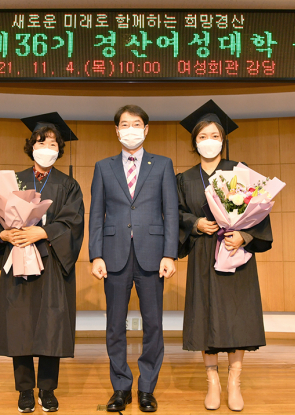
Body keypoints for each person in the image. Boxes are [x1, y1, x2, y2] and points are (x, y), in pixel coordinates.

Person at [0, 112, 84, 413]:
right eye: (41, 143)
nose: (47, 148)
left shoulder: (68, 185)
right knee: (20, 325)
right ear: (31, 146)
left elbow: (74, 223)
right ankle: (25, 389)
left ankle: (48, 389)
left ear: (59, 149)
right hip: (18, 259)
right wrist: (4, 234)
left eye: (53, 144)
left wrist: (43, 231)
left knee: (51, 325)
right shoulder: (12, 181)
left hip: (52, 262)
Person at [177, 100, 273, 412]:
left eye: (215, 136)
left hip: (234, 251)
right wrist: (195, 223)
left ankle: (234, 381)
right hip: (204, 252)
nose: (209, 141)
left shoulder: (239, 172)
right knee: (206, 316)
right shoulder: (184, 179)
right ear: (195, 141)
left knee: (236, 317)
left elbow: (259, 212)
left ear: (223, 139)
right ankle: (212, 382)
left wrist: (244, 236)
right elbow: (175, 213)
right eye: (203, 136)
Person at [89, 105, 179, 413]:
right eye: (125, 124)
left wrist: (169, 253)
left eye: (136, 124)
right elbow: (96, 215)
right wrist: (96, 255)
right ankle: (121, 388)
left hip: (153, 255)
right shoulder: (103, 167)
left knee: (153, 324)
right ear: (116, 131)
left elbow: (170, 213)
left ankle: (146, 388)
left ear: (146, 129)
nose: (131, 129)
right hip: (113, 255)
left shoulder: (163, 165)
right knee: (115, 326)